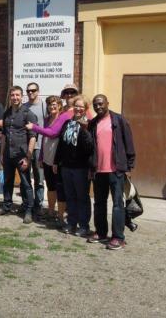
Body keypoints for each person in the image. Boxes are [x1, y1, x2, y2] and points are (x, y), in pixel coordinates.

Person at [87, 94, 136, 250]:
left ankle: (118, 237)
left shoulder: (119, 120)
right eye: (95, 104)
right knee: (99, 203)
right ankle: (101, 232)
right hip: (98, 171)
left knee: (117, 205)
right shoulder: (93, 123)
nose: (98, 106)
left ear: (107, 103)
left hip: (116, 171)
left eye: (101, 103)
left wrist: (129, 166)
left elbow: (129, 143)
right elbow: (91, 148)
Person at [0, 86, 37, 224]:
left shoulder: (28, 114)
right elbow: (4, 135)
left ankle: (29, 210)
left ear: (22, 97)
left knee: (26, 183)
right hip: (8, 154)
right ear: (9, 97)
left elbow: (33, 137)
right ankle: (6, 206)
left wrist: (28, 156)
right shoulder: (7, 113)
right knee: (8, 182)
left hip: (22, 155)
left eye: (17, 95)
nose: (15, 98)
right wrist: (1, 154)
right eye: (12, 95)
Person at [54, 95, 94, 237]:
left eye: (81, 107)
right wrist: (56, 161)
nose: (78, 108)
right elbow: (61, 144)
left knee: (82, 197)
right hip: (66, 166)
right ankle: (71, 223)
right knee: (70, 196)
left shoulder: (89, 124)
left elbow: (90, 147)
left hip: (81, 168)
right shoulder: (68, 123)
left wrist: (84, 130)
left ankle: (84, 226)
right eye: (76, 106)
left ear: (85, 109)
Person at [27, 96, 67, 226]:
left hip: (58, 159)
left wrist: (34, 127)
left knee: (60, 188)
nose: (52, 107)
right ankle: (51, 212)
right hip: (47, 158)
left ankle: (60, 216)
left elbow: (52, 133)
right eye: (50, 105)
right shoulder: (47, 119)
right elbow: (44, 139)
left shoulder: (63, 118)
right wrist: (41, 157)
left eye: (55, 104)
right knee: (50, 186)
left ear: (60, 105)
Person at [21, 82, 46, 217]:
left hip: (40, 147)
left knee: (39, 179)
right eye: (28, 91)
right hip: (25, 147)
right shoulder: (23, 107)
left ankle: (39, 205)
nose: (31, 93)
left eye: (33, 90)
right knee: (24, 177)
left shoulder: (44, 106)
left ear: (38, 91)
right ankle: (26, 204)